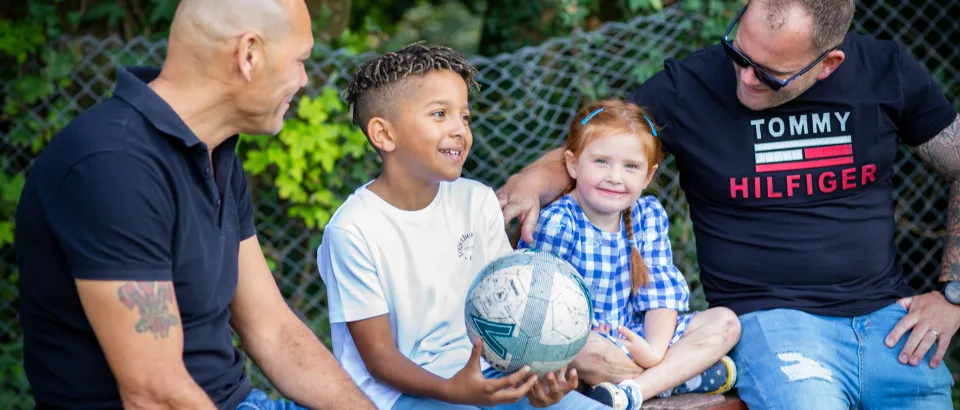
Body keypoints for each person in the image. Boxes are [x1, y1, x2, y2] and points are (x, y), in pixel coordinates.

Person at [496, 0, 960, 408]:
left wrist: (954, 294)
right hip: (775, 324)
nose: (745, 76)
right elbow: (605, 140)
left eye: (769, 73)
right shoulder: (690, 86)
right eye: (739, 54)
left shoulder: (886, 71)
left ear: (828, 63)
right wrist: (528, 182)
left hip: (893, 326)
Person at [14, 0, 374, 409]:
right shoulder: (112, 166)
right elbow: (154, 393)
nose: (304, 79)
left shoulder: (215, 154)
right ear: (249, 54)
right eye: (299, 60)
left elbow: (272, 329)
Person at [315, 42, 613, 410]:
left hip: (486, 376)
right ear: (384, 135)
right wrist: (455, 391)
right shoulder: (352, 230)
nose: (460, 130)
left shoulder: (477, 200)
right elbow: (379, 359)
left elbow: (510, 310)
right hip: (401, 395)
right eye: (440, 114)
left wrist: (534, 379)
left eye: (465, 117)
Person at [516, 99, 740, 410]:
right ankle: (674, 379)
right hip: (587, 342)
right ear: (572, 164)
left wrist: (654, 351)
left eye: (631, 166)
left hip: (636, 337)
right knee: (583, 352)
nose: (615, 177)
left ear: (648, 176)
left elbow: (659, 291)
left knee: (726, 322)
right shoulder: (560, 222)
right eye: (601, 162)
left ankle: (631, 391)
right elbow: (538, 311)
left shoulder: (647, 215)